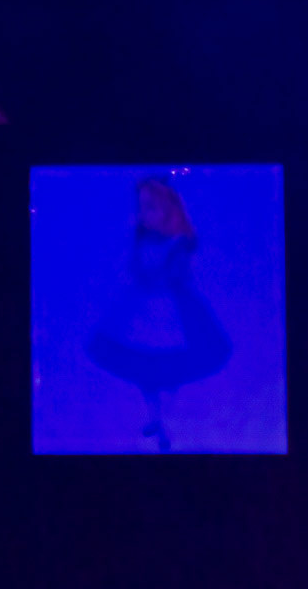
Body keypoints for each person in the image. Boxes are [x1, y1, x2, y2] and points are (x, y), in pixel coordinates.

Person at [86, 178, 232, 453]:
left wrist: (159, 275)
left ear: (167, 209)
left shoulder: (179, 243)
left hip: (172, 311)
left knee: (168, 363)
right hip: (143, 308)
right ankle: (156, 417)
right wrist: (140, 273)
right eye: (141, 207)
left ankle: (166, 417)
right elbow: (135, 268)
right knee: (142, 365)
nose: (143, 214)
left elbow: (179, 274)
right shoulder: (142, 239)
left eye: (150, 207)